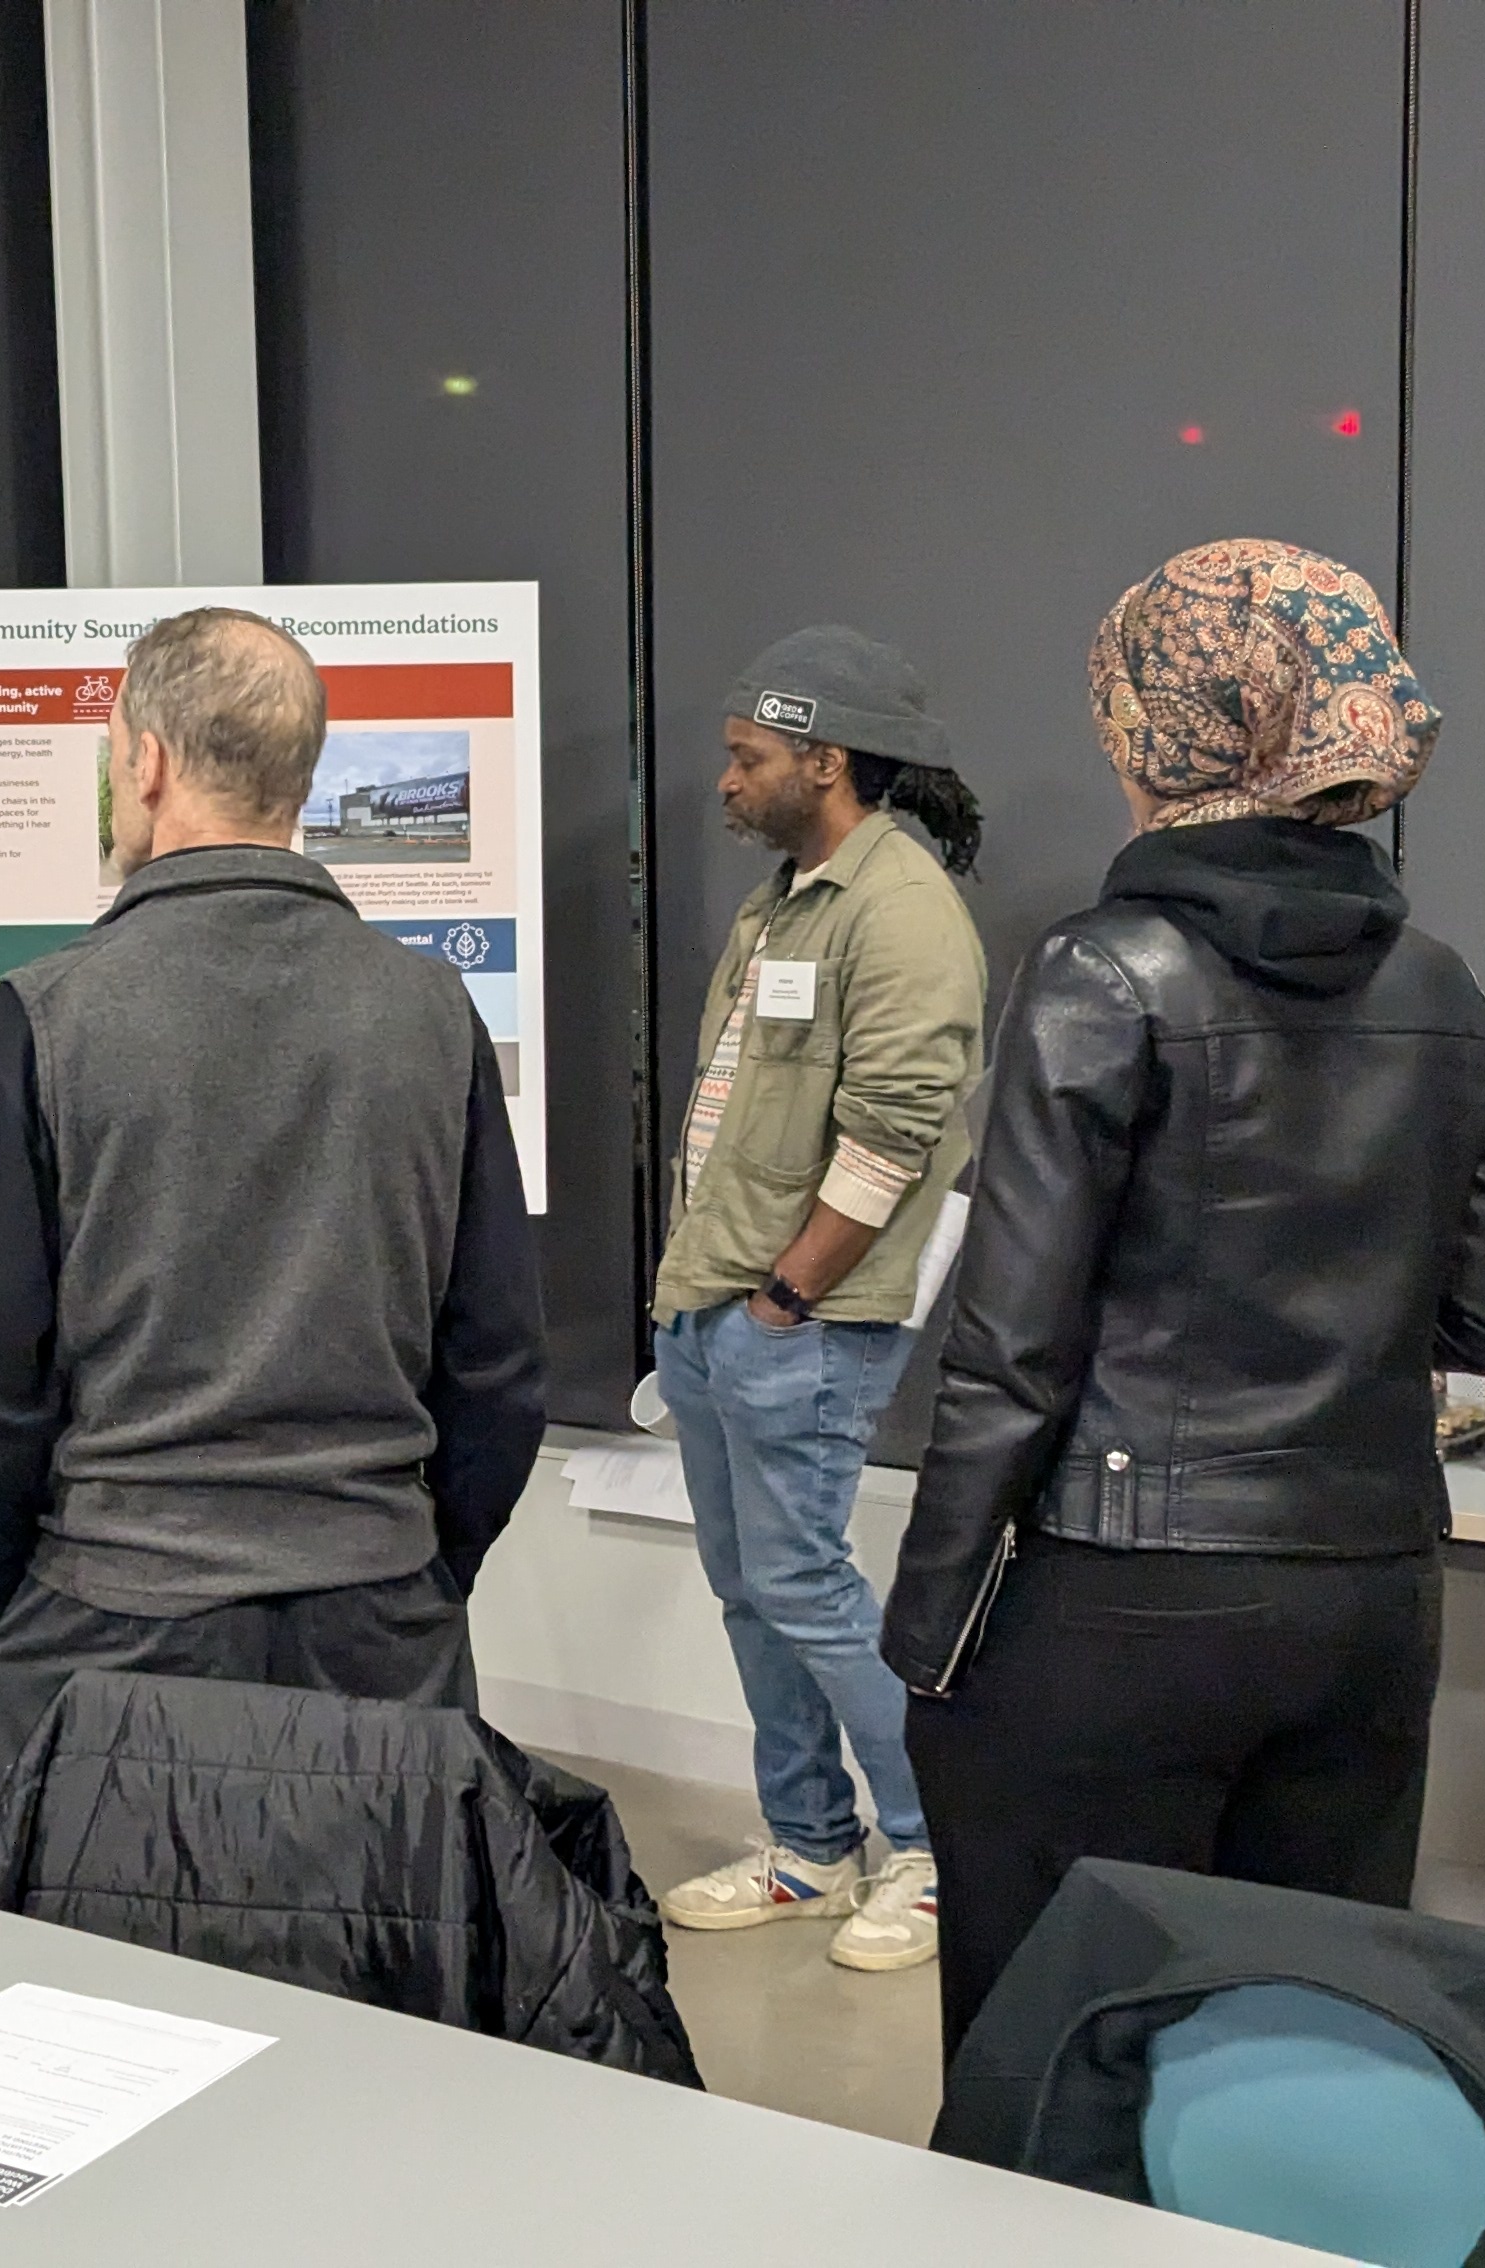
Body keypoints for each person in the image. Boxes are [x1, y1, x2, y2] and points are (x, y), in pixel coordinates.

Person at [884, 539, 1485, 2055]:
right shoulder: (1446, 988)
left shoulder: (1100, 976)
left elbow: (1013, 1350)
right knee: (1310, 2041)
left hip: (1122, 1599)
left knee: (1063, 2043)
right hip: (1372, 1596)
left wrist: (928, 1627)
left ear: (1162, 731)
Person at [0, 605, 544, 1838]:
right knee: (375, 1982)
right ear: (300, 779)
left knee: (104, 2008)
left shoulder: (35, 1022)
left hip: (108, 1625)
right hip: (380, 1616)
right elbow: (499, 1363)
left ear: (146, 762)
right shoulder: (433, 1015)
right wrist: (426, 1568)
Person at [647, 627, 989, 1974]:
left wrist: (790, 1293)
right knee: (755, 1590)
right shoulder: (787, 896)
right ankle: (811, 1847)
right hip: (715, 1303)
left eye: (748, 758)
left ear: (825, 758)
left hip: (797, 1315)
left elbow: (900, 1128)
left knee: (807, 1587)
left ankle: (931, 1852)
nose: (725, 780)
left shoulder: (900, 909)